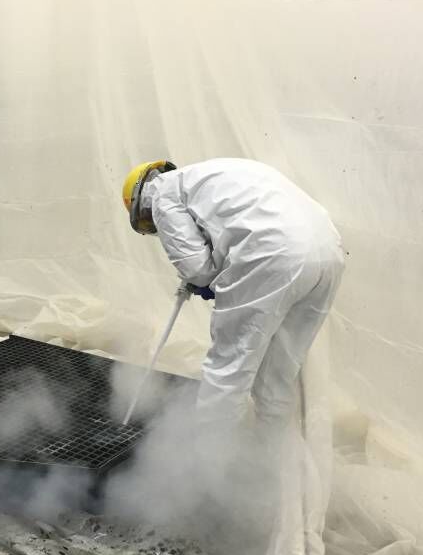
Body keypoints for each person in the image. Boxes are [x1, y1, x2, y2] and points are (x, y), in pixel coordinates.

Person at [122, 158, 344, 424]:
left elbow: (197, 268)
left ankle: (212, 448)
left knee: (228, 369)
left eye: (148, 224)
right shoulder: (211, 174)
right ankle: (276, 447)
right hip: (328, 251)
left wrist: (206, 282)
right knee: (278, 373)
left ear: (140, 202)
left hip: (271, 254)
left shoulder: (161, 193)